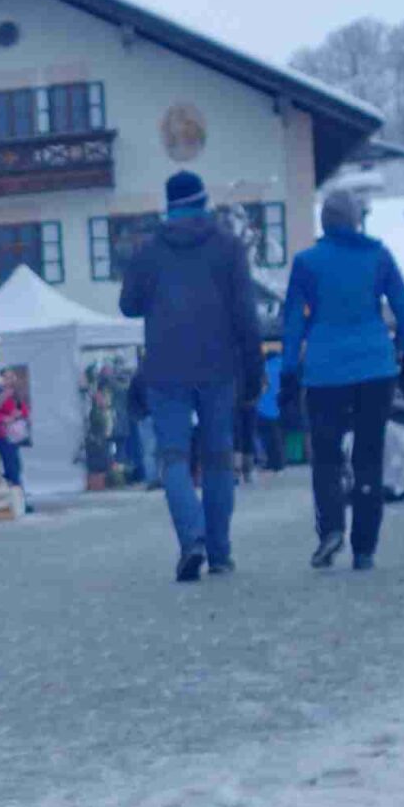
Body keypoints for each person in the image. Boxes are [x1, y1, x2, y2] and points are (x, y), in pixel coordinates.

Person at [116, 172, 261, 580]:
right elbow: (246, 316)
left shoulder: (148, 250)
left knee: (174, 457)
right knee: (217, 458)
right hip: (219, 366)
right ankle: (220, 552)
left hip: (165, 368)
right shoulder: (228, 247)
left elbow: (128, 305)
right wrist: (253, 371)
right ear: (203, 201)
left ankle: (192, 539)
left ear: (169, 206)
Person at [282, 187, 404, 571]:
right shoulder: (379, 256)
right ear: (356, 220)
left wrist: (289, 372)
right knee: (369, 456)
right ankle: (364, 546)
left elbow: (292, 321)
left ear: (325, 222)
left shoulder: (307, 262)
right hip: (375, 368)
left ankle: (330, 528)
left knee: (325, 455)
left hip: (325, 372)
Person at [0, 380, 28, 495]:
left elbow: (22, 409)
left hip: (11, 435)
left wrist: (18, 415)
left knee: (14, 463)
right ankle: (14, 489)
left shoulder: (12, 398)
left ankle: (17, 489)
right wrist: (4, 419)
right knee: (10, 463)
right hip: (1, 435)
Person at [255, 351, 285, 472]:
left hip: (262, 407)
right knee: (275, 436)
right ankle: (278, 462)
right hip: (278, 406)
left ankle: (271, 461)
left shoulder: (265, 367)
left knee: (267, 437)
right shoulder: (281, 365)